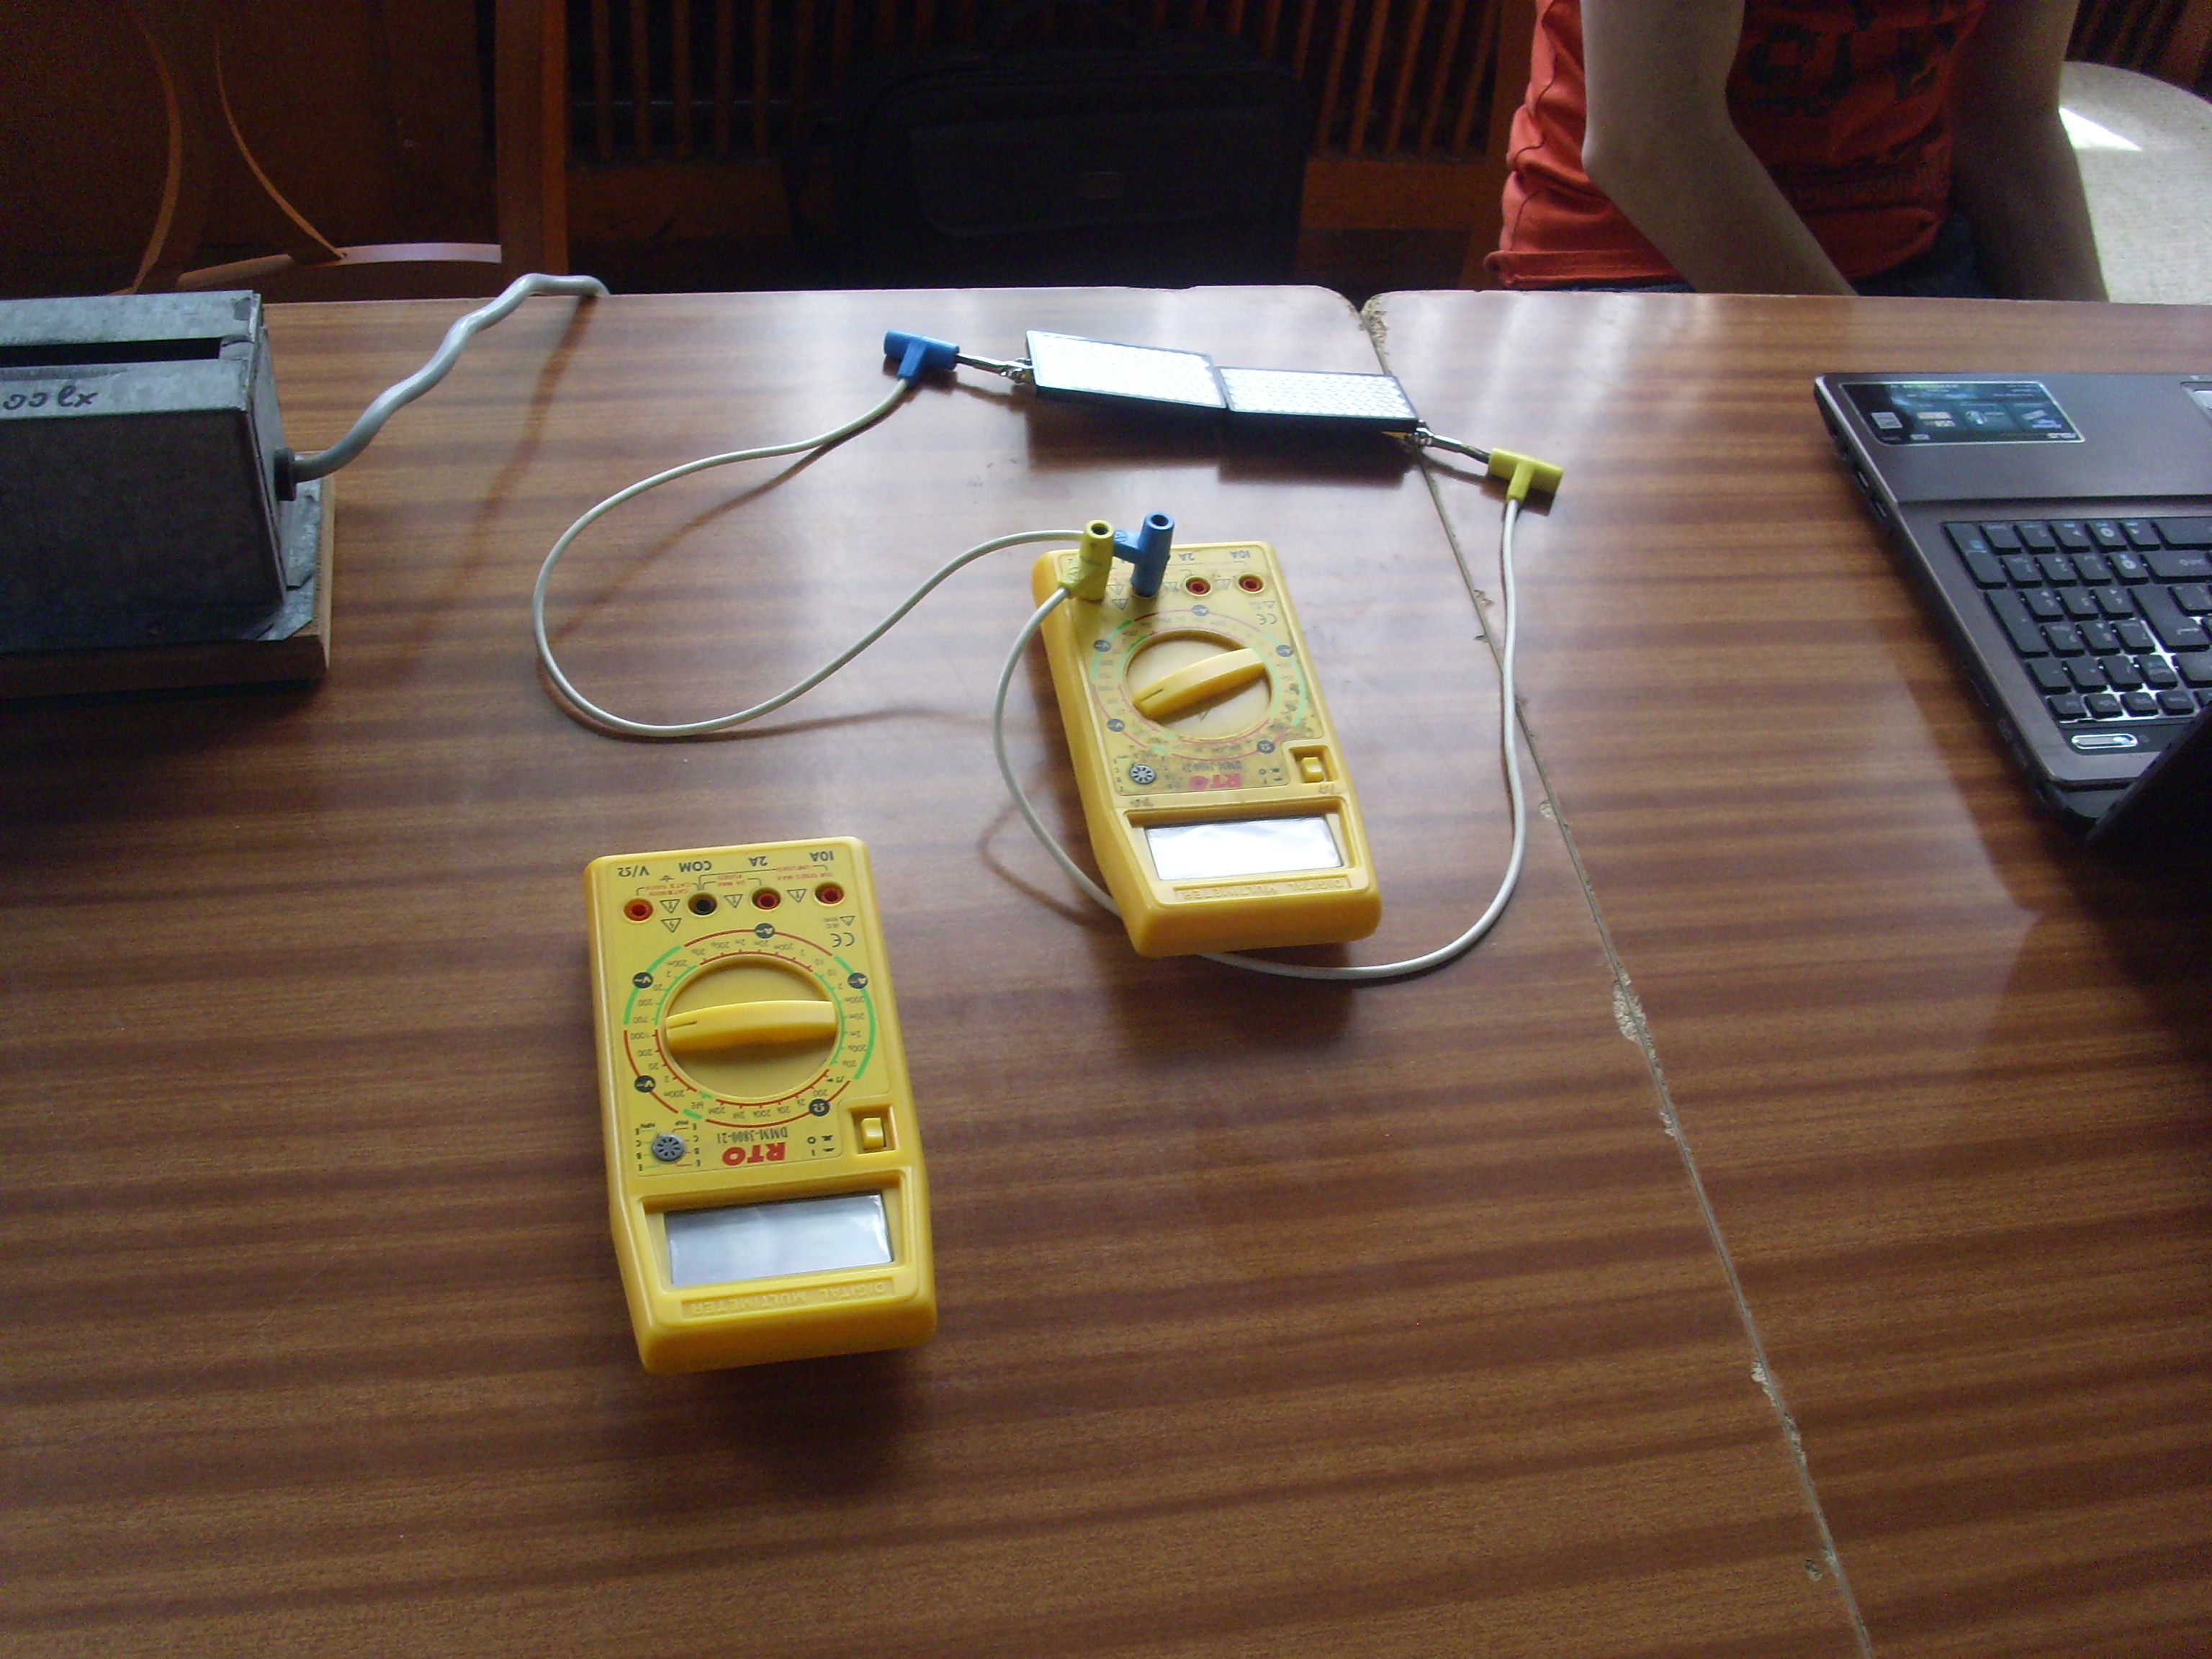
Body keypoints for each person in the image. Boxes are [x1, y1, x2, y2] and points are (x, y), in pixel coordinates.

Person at [1489, 0, 2109, 300]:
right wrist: (1879, 395)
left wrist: (2098, 364)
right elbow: (1649, 144)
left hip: (1917, 255)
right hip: (1639, 259)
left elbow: (2009, 114)